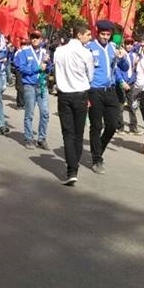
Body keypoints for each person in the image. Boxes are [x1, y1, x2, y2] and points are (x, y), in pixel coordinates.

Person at [86, 19, 130, 174]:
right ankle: (96, 159)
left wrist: (123, 57)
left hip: (110, 90)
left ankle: (99, 150)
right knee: (96, 126)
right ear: (97, 33)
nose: (105, 37)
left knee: (112, 125)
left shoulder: (114, 47)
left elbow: (124, 68)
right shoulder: (89, 48)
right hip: (94, 91)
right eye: (103, 34)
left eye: (108, 34)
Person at [52, 23, 93, 185]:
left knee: (68, 133)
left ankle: (72, 169)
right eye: (88, 35)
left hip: (64, 95)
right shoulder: (86, 53)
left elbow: (56, 71)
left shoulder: (59, 51)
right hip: (80, 94)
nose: (90, 38)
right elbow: (90, 76)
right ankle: (74, 167)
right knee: (78, 133)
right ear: (79, 35)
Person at [12, 30, 51, 149]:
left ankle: (41, 138)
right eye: (32, 37)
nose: (34, 39)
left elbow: (49, 69)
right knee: (29, 113)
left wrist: (48, 64)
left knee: (45, 113)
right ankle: (28, 138)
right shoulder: (24, 52)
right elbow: (21, 68)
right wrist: (37, 68)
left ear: (42, 40)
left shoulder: (45, 52)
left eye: (37, 37)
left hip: (42, 86)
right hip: (29, 86)